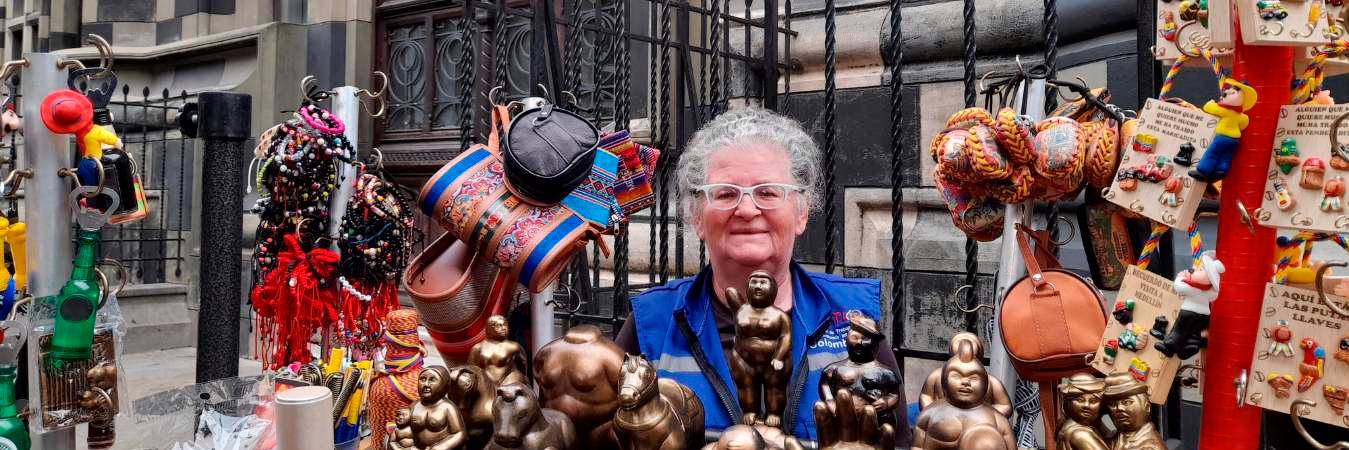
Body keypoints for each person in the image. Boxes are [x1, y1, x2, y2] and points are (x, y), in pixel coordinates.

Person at [614, 107, 909, 444]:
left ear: (801, 212)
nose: (747, 210)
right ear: (697, 217)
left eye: (768, 192)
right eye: (725, 193)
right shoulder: (652, 322)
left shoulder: (853, 319)